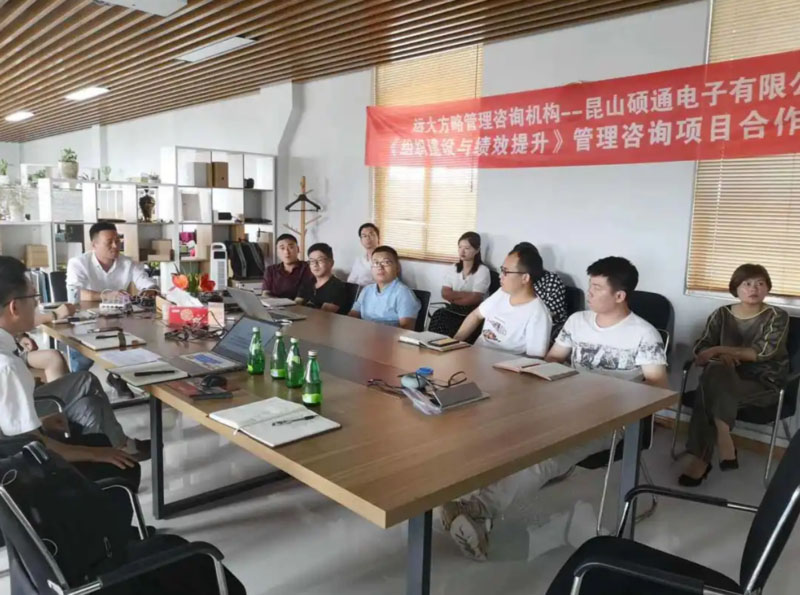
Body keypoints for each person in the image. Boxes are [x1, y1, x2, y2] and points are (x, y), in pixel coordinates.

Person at [442, 256, 667, 561]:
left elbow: (657, 388)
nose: (589, 293)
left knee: (544, 458)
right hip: (564, 406)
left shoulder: (643, 334)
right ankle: (470, 502)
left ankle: (478, 510)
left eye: (597, 288)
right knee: (501, 429)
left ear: (619, 295)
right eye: (589, 285)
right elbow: (552, 361)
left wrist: (609, 398)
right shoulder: (578, 321)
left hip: (610, 420)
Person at [0, 256, 143, 488]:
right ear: (14, 307)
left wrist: (43, 424)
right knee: (124, 465)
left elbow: (11, 430)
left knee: (89, 405)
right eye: (33, 298)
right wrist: (94, 454)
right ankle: (100, 487)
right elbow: (30, 446)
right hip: (26, 473)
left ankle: (114, 456)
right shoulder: (7, 367)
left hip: (14, 454)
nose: (37, 304)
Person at [679, 264, 789, 487]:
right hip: (723, 377)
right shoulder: (721, 314)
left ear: (767, 288)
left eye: (760, 283)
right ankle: (723, 435)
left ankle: (702, 458)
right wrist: (718, 357)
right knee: (716, 372)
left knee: (708, 390)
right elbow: (702, 347)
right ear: (735, 288)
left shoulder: (777, 316)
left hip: (762, 382)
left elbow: (762, 352)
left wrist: (719, 350)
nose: (753, 289)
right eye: (747, 284)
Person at [66, 222, 158, 372]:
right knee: (82, 363)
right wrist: (106, 295)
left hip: (119, 319)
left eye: (117, 240)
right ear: (94, 245)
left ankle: (121, 376)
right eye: (109, 242)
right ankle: (77, 380)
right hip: (86, 321)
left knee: (145, 342)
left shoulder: (128, 263)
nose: (115, 246)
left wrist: (150, 290)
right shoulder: (78, 263)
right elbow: (76, 293)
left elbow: (147, 283)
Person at [453, 243, 552, 358]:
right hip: (475, 355)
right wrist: (453, 343)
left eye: (506, 272)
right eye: (502, 270)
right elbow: (475, 315)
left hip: (501, 366)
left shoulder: (538, 314)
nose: (500, 276)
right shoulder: (502, 293)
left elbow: (535, 360)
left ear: (525, 278)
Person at [429, 232, 492, 337]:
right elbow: (445, 293)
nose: (462, 251)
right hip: (452, 308)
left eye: (467, 248)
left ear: (477, 250)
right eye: (460, 247)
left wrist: (454, 296)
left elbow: (476, 298)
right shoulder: (453, 268)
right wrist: (467, 295)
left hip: (472, 312)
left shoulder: (483, 270)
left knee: (450, 322)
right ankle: (432, 343)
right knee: (439, 314)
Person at [349, 245, 420, 329]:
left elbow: (406, 329)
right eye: (376, 263)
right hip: (363, 334)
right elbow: (351, 317)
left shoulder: (403, 293)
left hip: (389, 336)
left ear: (397, 267)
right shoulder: (367, 290)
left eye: (386, 262)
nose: (380, 267)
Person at [512, 241, 568, 336]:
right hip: (518, 324)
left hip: (547, 328)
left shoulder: (552, 280)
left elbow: (551, 314)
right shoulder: (514, 278)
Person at [296, 243, 351, 314]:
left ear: (331, 263)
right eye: (312, 261)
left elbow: (323, 315)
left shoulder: (337, 287)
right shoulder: (308, 283)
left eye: (320, 260)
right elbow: (296, 306)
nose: (315, 264)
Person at [262, 233, 313, 299]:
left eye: (291, 247)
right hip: (274, 305)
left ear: (298, 249)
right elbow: (265, 294)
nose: (286, 252)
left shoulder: (307, 268)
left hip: (300, 305)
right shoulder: (270, 270)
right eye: (282, 248)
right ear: (277, 252)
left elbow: (303, 295)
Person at [348, 223, 380, 287]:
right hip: (358, 291)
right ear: (361, 241)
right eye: (364, 236)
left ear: (378, 238)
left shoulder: (385, 258)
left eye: (371, 234)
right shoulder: (359, 260)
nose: (368, 238)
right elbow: (351, 281)